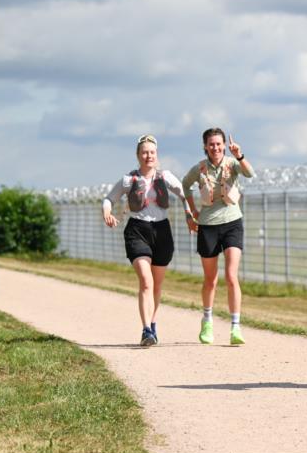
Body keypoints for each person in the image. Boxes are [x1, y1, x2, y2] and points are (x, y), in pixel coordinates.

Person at [103, 134, 194, 347]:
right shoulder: (129, 180)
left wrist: (189, 214)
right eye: (144, 152)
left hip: (162, 231)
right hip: (137, 231)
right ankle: (145, 330)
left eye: (152, 152)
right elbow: (109, 199)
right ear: (138, 155)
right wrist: (107, 212)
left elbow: (184, 195)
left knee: (156, 284)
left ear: (157, 155)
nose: (148, 156)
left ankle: (153, 325)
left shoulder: (166, 177)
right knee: (146, 280)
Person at [182, 128, 255, 346]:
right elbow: (184, 186)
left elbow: (250, 174)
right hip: (207, 226)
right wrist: (191, 212)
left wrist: (239, 155)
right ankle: (207, 320)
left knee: (231, 276)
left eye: (218, 144)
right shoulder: (199, 169)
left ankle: (235, 327)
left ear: (224, 145)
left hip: (232, 223)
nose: (215, 147)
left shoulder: (232, 164)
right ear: (205, 146)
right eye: (211, 144)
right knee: (210, 280)